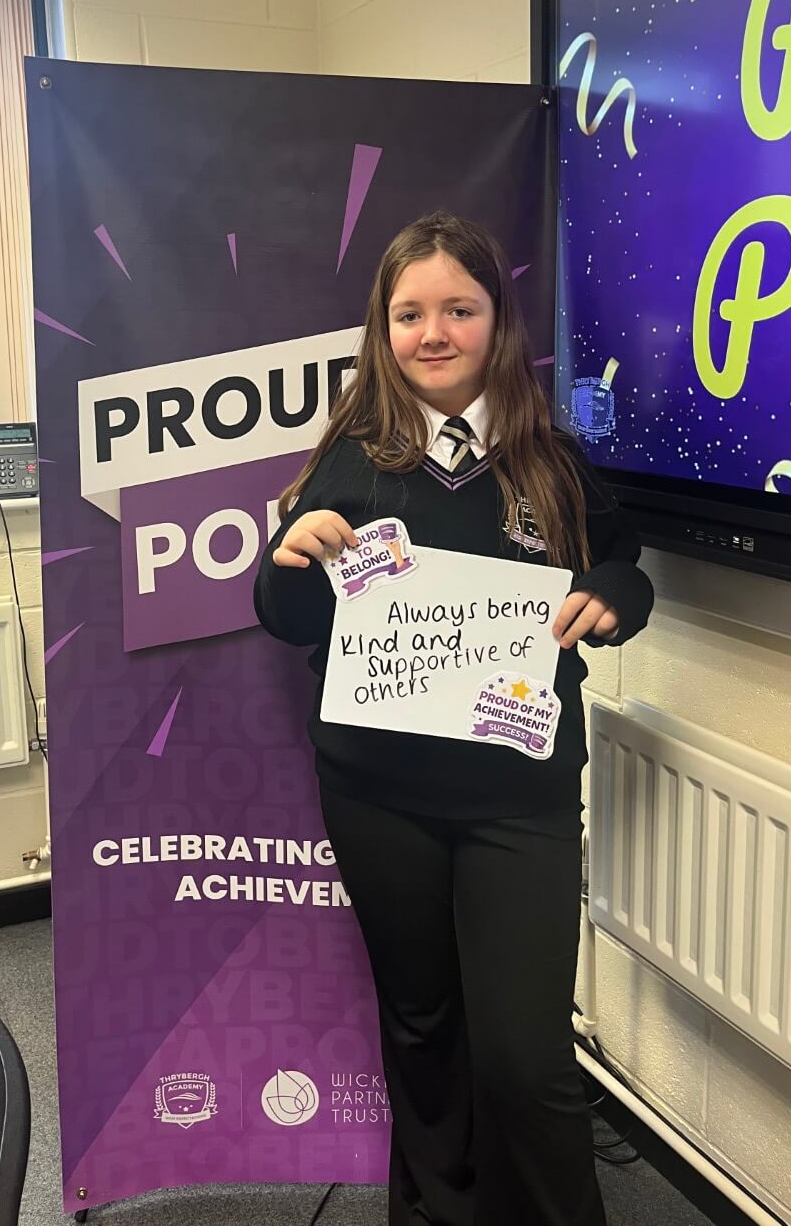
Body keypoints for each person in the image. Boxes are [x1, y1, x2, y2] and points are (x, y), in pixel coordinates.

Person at [253, 211, 653, 1226]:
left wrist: (618, 594)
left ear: (496, 321)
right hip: (378, 799)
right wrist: (289, 559)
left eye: (458, 310)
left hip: (518, 800)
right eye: (409, 314)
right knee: (423, 1030)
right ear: (382, 329)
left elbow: (619, 564)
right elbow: (289, 616)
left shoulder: (552, 461)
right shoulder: (349, 460)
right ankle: (436, 1212)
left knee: (524, 1056)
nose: (433, 333)